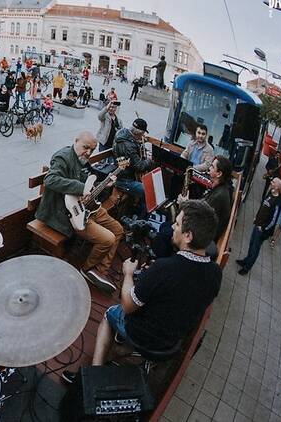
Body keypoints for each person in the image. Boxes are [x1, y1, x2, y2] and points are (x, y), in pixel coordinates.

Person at [89, 200, 221, 366]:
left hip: (144, 337)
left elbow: (127, 306)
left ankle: (95, 371)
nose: (173, 226)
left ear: (188, 236)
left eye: (178, 224)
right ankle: (122, 351)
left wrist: (128, 274)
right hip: (171, 344)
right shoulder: (216, 273)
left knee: (110, 313)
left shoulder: (164, 268)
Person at [34, 131, 124, 293]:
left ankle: (101, 270)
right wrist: (82, 189)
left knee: (118, 230)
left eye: (92, 149)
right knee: (108, 239)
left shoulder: (84, 161)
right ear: (75, 141)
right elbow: (50, 180)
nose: (88, 152)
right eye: (85, 147)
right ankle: (87, 269)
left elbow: (91, 191)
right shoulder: (63, 157)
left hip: (88, 208)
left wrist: (105, 186)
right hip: (66, 213)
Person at [236, 177, 281, 275]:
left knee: (255, 248)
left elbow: (274, 220)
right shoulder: (270, 192)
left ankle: (247, 267)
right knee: (251, 243)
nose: (271, 182)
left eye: (273, 182)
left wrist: (263, 228)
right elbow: (263, 206)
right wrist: (256, 217)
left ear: (278, 186)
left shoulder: (278, 202)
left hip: (262, 230)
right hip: (258, 224)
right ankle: (246, 260)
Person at [113, 119, 154, 216]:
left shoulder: (123, 133)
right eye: (143, 133)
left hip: (125, 171)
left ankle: (137, 209)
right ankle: (141, 218)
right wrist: (149, 160)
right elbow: (140, 166)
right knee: (147, 191)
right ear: (140, 133)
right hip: (123, 179)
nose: (143, 136)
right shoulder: (128, 146)